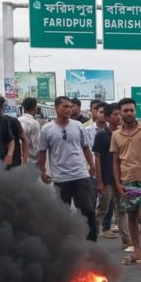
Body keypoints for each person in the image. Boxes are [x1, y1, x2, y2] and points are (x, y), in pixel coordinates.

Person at [37, 96, 99, 241]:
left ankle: (91, 243)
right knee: (62, 214)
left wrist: (92, 166)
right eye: (65, 106)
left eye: (70, 107)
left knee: (88, 210)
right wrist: (42, 172)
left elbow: (86, 148)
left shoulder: (78, 126)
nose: (69, 109)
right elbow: (42, 152)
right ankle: (63, 243)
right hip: (61, 179)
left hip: (80, 176)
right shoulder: (47, 129)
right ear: (56, 108)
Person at [112, 98, 141, 270]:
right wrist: (118, 183)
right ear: (120, 113)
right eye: (125, 110)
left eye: (131, 110)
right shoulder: (116, 135)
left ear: (135, 111)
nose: (129, 113)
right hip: (127, 182)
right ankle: (137, 253)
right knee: (131, 217)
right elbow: (115, 161)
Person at [93, 104, 132, 247]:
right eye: (115, 114)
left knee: (122, 210)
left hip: (122, 179)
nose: (118, 117)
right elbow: (97, 159)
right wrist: (99, 181)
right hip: (107, 179)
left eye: (119, 114)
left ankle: (126, 240)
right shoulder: (101, 135)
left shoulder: (124, 134)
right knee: (103, 208)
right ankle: (92, 237)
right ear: (108, 118)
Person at [0, 95, 30, 168]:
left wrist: (25, 161)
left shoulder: (12, 121)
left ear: (0, 107)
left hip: (13, 164)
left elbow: (24, 140)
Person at [19, 97, 42, 166]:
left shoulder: (17, 120)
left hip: (20, 159)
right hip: (32, 161)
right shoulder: (34, 123)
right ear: (34, 108)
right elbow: (37, 145)